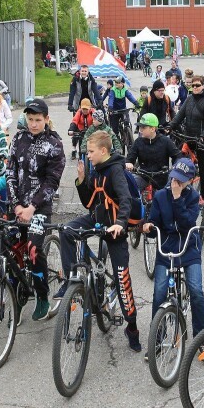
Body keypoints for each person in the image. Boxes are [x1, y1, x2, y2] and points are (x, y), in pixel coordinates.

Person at [58, 131, 142, 351]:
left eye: (91, 151)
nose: (88, 155)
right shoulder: (95, 170)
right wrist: (82, 180)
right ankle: (70, 278)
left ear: (103, 151)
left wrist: (120, 223)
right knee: (66, 231)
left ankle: (132, 327)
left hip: (114, 229)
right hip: (96, 220)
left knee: (122, 280)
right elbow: (89, 203)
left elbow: (124, 199)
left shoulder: (115, 170)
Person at [1, 98, 65, 320]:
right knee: (11, 251)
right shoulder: (18, 138)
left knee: (34, 251)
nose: (34, 124)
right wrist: (16, 204)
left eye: (38, 120)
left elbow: (52, 182)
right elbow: (10, 173)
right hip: (17, 206)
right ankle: (17, 293)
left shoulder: (54, 144)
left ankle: (42, 295)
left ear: (46, 119)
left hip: (39, 208)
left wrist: (32, 207)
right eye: (30, 119)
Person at [167, 74, 204, 195]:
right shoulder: (189, 99)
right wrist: (170, 126)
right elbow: (180, 115)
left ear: (203, 86)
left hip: (202, 140)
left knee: (203, 168)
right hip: (189, 137)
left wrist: (203, 136)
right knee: (180, 162)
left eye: (197, 85)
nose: (194, 87)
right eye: (193, 85)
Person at [126, 113, 181, 192]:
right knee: (129, 188)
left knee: (167, 197)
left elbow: (177, 156)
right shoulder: (138, 142)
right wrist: (129, 163)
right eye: (140, 127)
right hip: (144, 176)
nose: (140, 130)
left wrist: (175, 167)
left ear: (152, 129)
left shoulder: (165, 141)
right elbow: (131, 156)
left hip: (162, 178)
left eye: (143, 127)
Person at [103, 76, 139, 141]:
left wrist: (136, 103)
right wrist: (110, 107)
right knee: (115, 128)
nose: (116, 83)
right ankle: (117, 140)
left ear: (122, 84)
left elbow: (130, 97)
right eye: (115, 82)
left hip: (123, 110)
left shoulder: (125, 90)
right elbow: (111, 99)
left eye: (118, 82)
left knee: (127, 122)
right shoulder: (112, 90)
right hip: (114, 111)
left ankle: (128, 134)